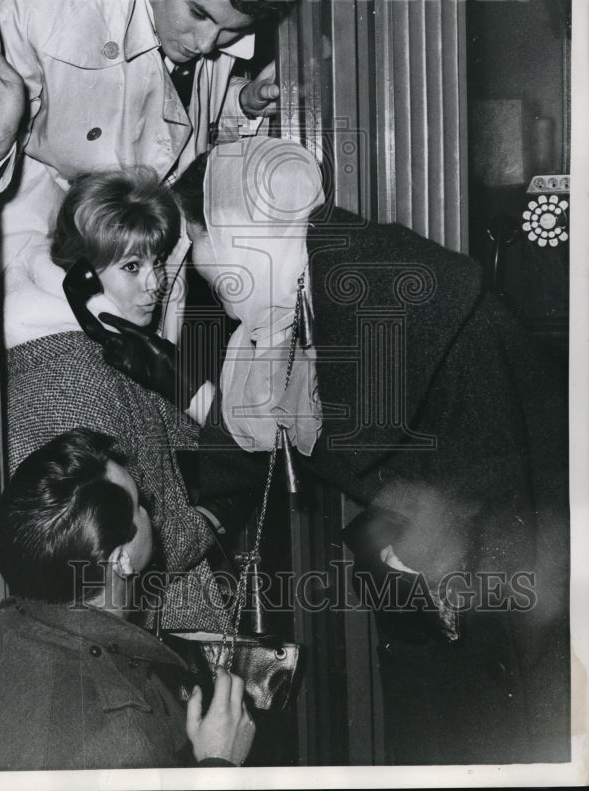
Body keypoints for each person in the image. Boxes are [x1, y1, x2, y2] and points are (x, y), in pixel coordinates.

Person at [104, 136, 569, 765]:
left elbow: (351, 444)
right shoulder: (317, 269)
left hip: (508, 579)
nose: (204, 272)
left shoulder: (383, 281)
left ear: (244, 228)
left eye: (201, 243)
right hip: (454, 568)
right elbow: (277, 427)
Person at [0, 0, 296, 347]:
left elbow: (171, 123)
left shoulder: (210, 15)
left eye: (231, 32)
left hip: (145, 243)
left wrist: (240, 102)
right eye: (196, 14)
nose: (206, 44)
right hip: (36, 232)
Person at [0, 429, 255, 771]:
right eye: (139, 504)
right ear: (122, 560)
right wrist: (219, 761)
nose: (148, 511)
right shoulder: (124, 738)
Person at [4, 167, 229, 632]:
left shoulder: (107, 345)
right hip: (145, 624)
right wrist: (211, 518)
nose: (155, 284)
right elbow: (105, 549)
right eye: (132, 267)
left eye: (158, 262)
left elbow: (172, 444)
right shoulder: (69, 375)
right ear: (80, 272)